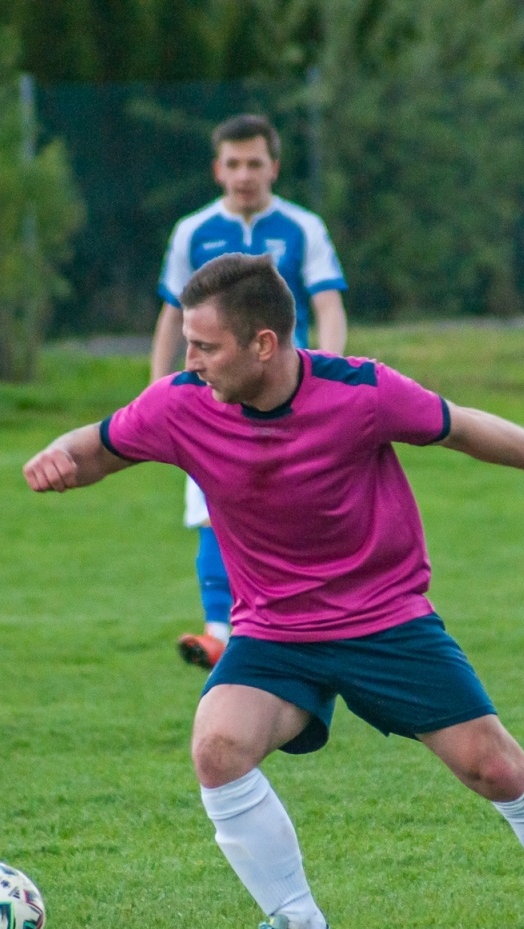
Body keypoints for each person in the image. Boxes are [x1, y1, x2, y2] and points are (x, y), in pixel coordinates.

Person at [25, 254, 524, 929]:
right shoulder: (181, 405)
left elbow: (462, 426)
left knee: (494, 768)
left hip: (384, 619)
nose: (189, 360)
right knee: (218, 747)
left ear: (263, 343)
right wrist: (59, 456)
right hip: (274, 630)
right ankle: (297, 926)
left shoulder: (360, 392)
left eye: (205, 347)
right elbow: (99, 446)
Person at [151, 114, 348, 670]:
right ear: (217, 169)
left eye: (254, 163)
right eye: (233, 164)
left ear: (274, 167)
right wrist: (158, 389)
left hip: (287, 395)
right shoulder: (193, 232)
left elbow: (328, 304)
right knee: (212, 507)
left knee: (298, 507)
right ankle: (220, 633)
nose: (244, 175)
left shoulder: (302, 228)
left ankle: (309, 622)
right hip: (212, 394)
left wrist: (328, 373)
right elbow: (171, 315)